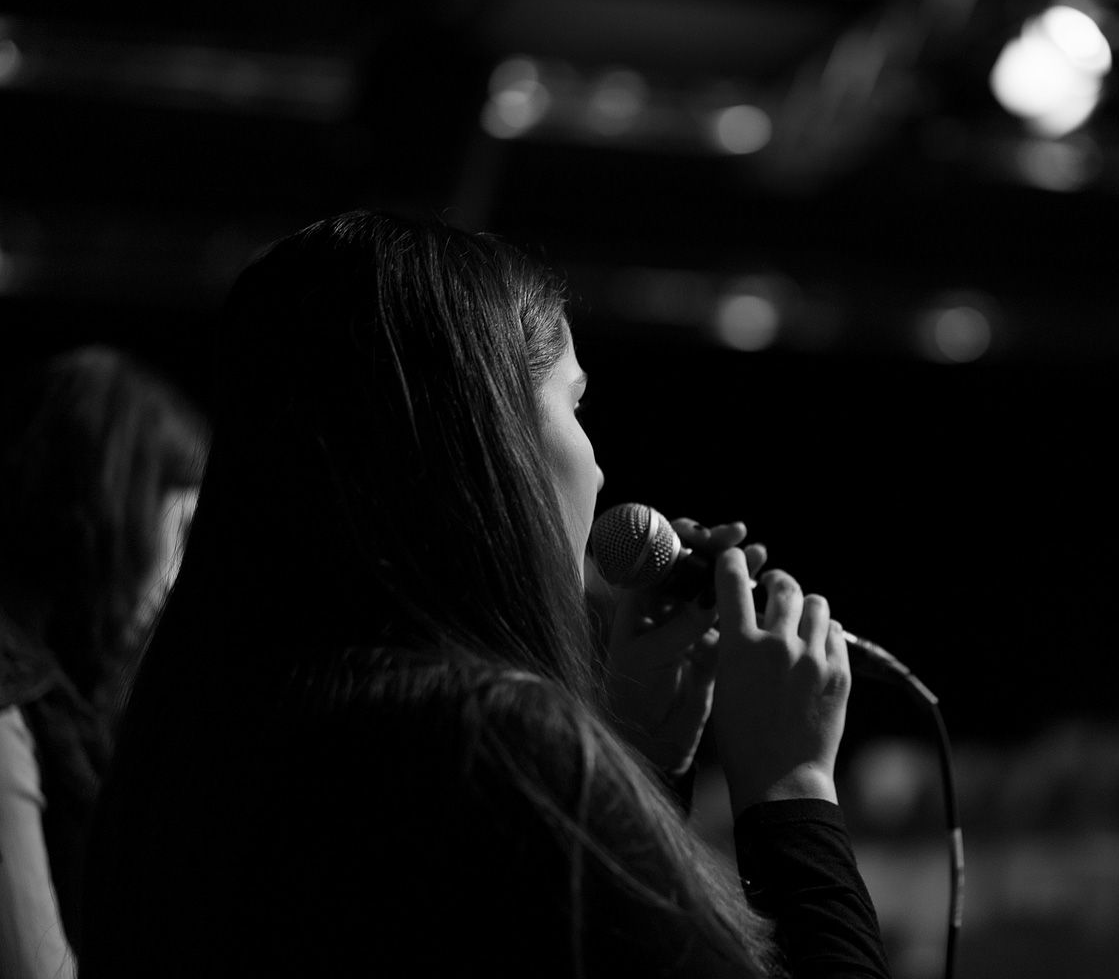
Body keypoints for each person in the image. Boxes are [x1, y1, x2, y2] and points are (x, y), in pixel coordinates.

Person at [79, 210, 890, 978]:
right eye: (574, 404)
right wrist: (792, 788)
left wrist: (635, 757)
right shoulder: (494, 740)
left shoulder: (200, 728)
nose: (599, 465)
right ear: (490, 434)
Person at [0, 345, 208, 979]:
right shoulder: (10, 697)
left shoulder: (68, 689)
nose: (179, 580)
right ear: (114, 515)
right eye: (177, 534)